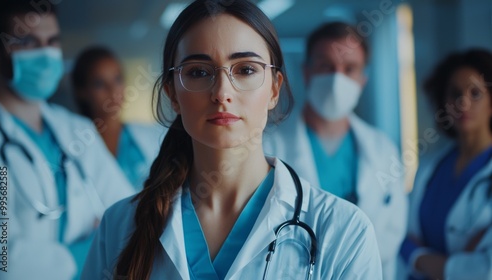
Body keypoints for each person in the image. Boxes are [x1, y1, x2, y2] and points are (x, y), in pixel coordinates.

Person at [82, 1, 382, 279]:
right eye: (199, 72)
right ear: (173, 93)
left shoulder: (344, 231)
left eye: (246, 70)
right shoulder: (120, 226)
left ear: (274, 90)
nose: (221, 92)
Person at [0, 1, 134, 279]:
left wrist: (50, 257)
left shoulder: (77, 130)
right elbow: (4, 264)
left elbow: (132, 217)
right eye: (29, 42)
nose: (45, 53)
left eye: (52, 41)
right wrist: (88, 250)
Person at [263, 21, 407, 279]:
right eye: (326, 66)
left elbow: (392, 232)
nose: (336, 78)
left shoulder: (383, 150)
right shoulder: (268, 145)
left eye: (349, 68)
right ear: (306, 72)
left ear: (362, 79)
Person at [400, 49, 492, 280]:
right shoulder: (432, 167)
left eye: (475, 93)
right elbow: (401, 235)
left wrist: (418, 258)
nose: (463, 102)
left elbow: (485, 271)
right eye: (455, 93)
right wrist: (452, 263)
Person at [71, 46, 166, 189]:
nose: (112, 90)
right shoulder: (75, 143)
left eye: (117, 79)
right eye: (99, 83)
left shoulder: (153, 135)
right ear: (82, 92)